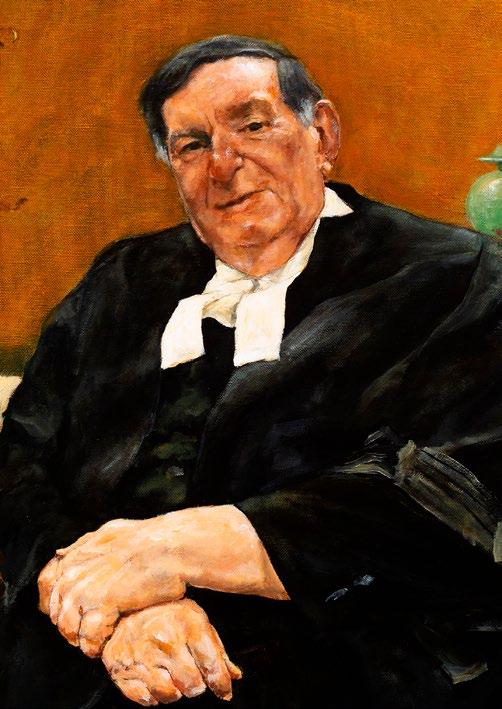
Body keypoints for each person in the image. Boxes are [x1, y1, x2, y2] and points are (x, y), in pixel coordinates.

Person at [1, 34, 502, 709]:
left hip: (331, 668)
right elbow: (19, 459)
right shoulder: (123, 279)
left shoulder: (458, 275)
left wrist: (172, 551)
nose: (224, 165)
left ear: (322, 134)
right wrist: (112, 610)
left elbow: (460, 496)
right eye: (192, 145)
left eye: (253, 126)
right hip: (83, 656)